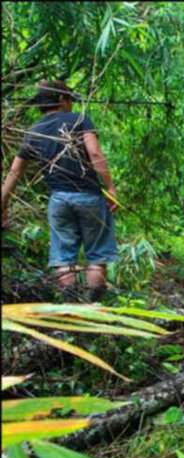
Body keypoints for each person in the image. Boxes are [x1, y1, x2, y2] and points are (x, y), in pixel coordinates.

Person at [1, 80, 118, 303]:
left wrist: (3, 205)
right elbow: (94, 154)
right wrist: (110, 187)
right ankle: (93, 307)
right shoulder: (79, 120)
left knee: (64, 257)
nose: (72, 104)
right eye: (70, 99)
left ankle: (71, 310)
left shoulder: (33, 132)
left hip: (59, 201)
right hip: (90, 197)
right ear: (62, 100)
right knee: (96, 255)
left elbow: (14, 172)